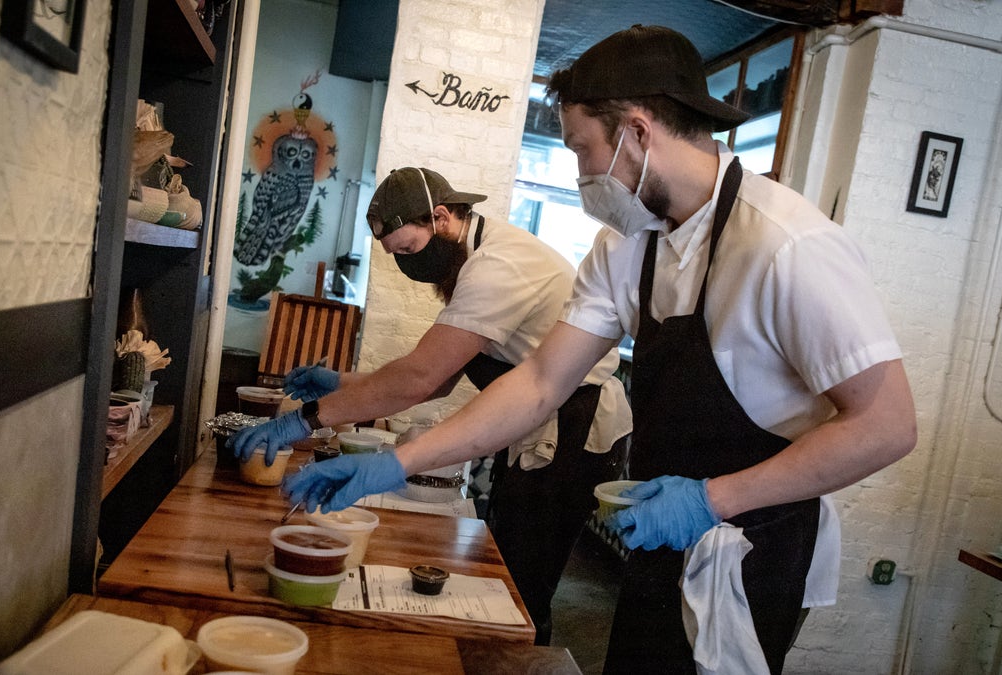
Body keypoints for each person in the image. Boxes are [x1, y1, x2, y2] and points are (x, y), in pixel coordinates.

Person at [285, 25, 917, 674]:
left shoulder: (788, 245)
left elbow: (886, 424)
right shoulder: (626, 246)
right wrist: (397, 462)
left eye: (583, 149)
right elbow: (537, 382)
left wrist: (714, 498)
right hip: (662, 533)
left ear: (638, 133)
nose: (581, 171)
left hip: (755, 543)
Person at [231, 166, 632, 645]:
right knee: (508, 567)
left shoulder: (496, 266)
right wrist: (339, 383)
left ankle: (520, 658)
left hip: (573, 430)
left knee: (524, 587)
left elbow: (421, 378)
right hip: (537, 422)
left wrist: (305, 420)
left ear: (440, 217)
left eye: (407, 250)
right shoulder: (474, 257)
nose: (407, 265)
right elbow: (436, 379)